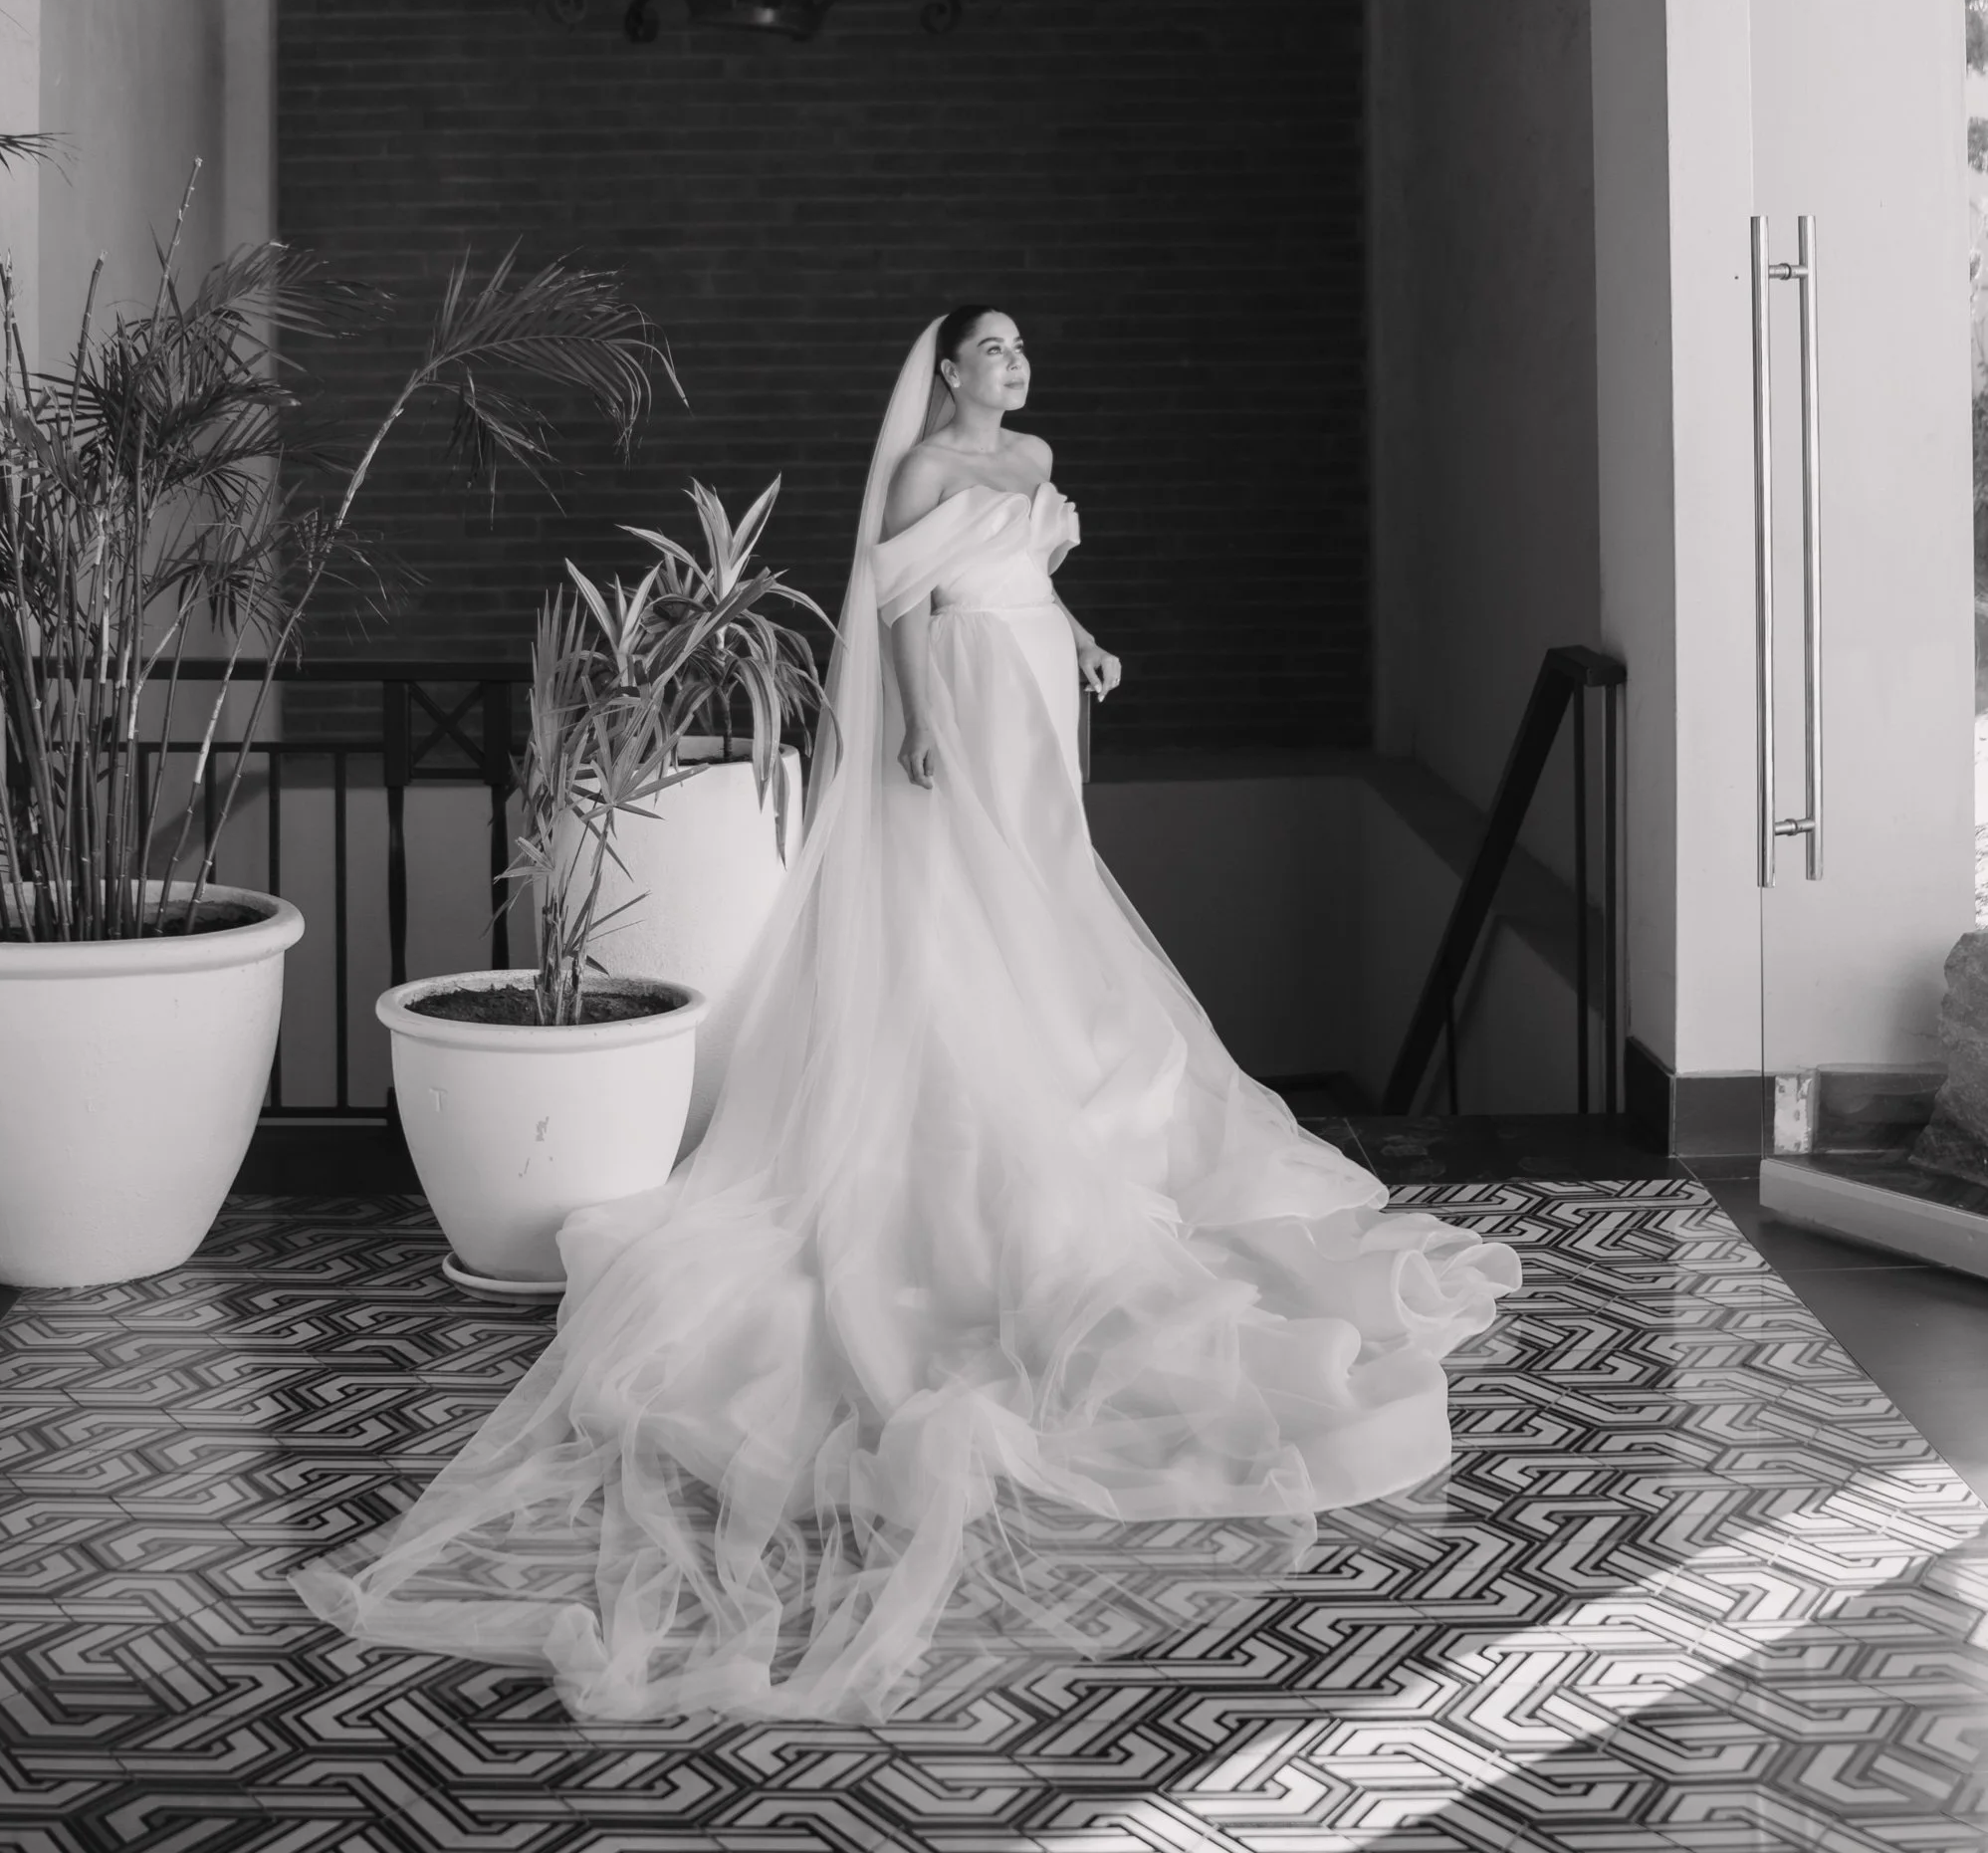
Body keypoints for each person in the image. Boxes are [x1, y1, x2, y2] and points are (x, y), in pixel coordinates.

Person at [295, 310, 1517, 1723]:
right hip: (970, 700)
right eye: (992, 350)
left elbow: (1030, 589)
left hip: (1044, 684)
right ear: (946, 371)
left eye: (1021, 353)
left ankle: (1073, 1083)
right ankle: (976, 1104)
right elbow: (912, 612)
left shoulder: (1037, 455)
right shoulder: (925, 475)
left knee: (1052, 889)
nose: (1014, 368)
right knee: (973, 897)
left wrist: (1096, 646)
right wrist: (921, 725)